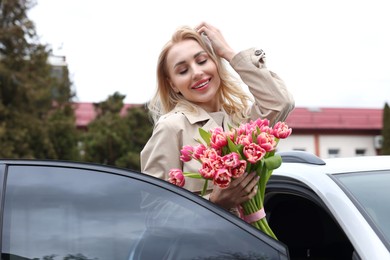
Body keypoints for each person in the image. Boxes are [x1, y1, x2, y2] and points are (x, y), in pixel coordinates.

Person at [140, 22, 294, 213]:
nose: (197, 73)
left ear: (216, 62)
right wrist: (213, 204)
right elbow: (152, 214)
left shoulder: (241, 122)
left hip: (254, 240)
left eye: (203, 60)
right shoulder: (172, 127)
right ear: (173, 84)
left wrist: (229, 54)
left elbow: (280, 102)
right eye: (183, 71)